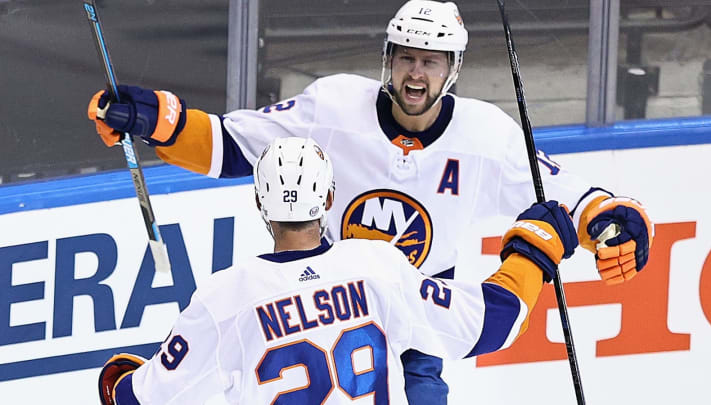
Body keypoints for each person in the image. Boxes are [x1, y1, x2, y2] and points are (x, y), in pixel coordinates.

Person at [87, 1, 654, 403]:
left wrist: (615, 220)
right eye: (406, 57)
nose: (415, 72)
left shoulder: (488, 137)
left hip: (418, 306)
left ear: (453, 69)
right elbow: (232, 145)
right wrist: (154, 120)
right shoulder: (333, 108)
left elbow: (568, 194)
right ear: (389, 58)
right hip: (339, 301)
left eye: (430, 62)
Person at [98, 136, 580, 405]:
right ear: (329, 200)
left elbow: (140, 400)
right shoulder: (376, 266)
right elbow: (491, 323)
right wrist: (534, 251)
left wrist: (118, 381)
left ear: (261, 204)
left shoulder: (226, 297)